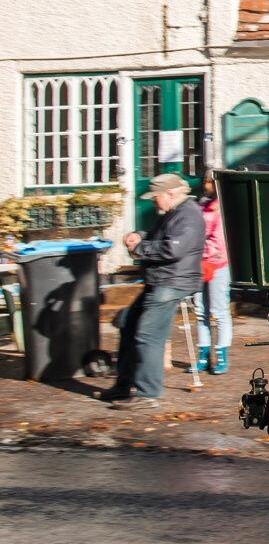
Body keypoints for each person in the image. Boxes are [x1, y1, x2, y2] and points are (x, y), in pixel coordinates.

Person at [96, 174, 205, 410]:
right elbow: (161, 238)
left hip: (172, 282)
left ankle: (148, 393)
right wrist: (141, 236)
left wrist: (140, 247)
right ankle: (124, 385)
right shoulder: (174, 213)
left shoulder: (188, 214)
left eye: (156, 197)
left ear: (171, 194)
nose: (153, 202)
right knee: (128, 323)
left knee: (148, 334)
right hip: (161, 280)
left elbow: (172, 249)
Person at [191, 172, 231, 375]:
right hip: (199, 263)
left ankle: (222, 354)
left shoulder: (222, 207)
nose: (205, 185)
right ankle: (203, 354)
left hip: (217, 264)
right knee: (200, 310)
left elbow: (219, 238)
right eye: (204, 181)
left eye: (208, 181)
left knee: (219, 310)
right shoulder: (201, 206)